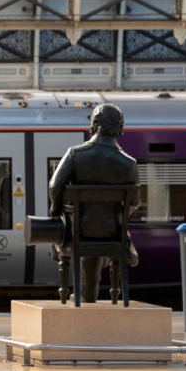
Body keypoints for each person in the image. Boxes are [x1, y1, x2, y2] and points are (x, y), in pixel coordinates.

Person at [47, 103, 139, 302]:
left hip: (77, 231)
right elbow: (135, 202)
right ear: (119, 127)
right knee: (104, 226)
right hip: (112, 233)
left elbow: (55, 186)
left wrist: (56, 211)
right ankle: (127, 245)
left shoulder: (75, 154)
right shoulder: (129, 163)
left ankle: (83, 294)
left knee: (71, 230)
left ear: (94, 124)